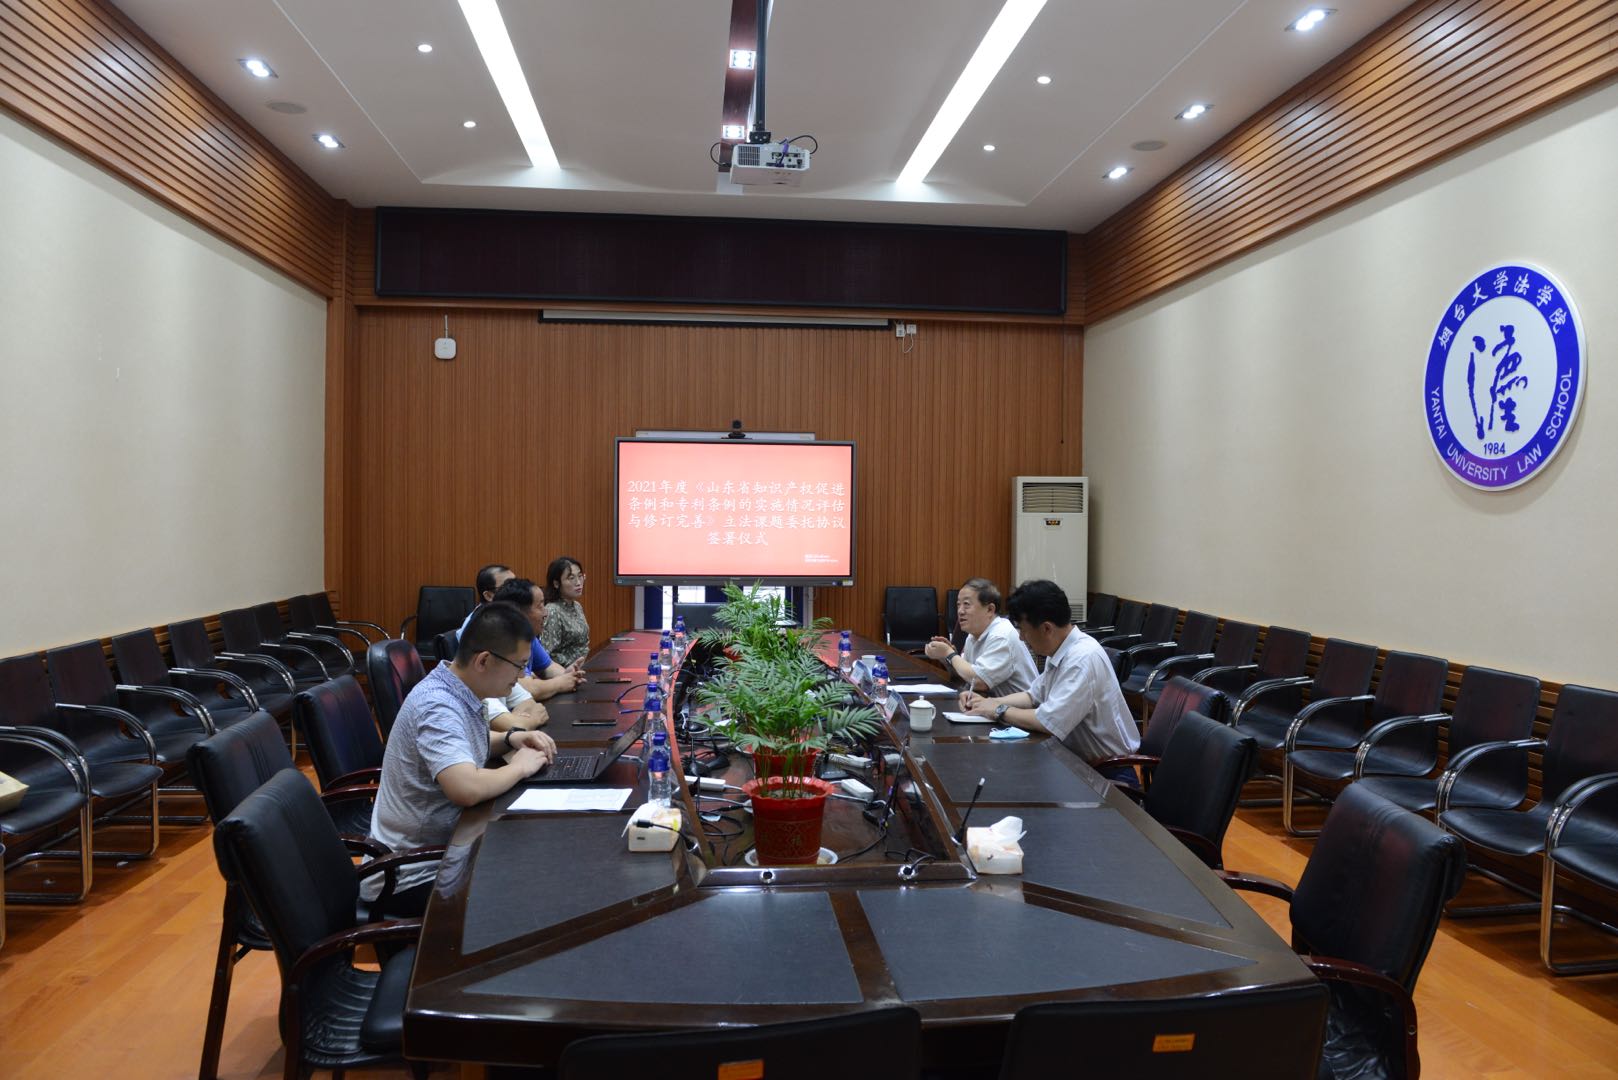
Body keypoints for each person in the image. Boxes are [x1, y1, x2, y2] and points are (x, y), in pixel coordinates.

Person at [367, 601, 558, 915]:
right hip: (410, 875)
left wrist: (511, 738)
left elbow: (464, 746)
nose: (520, 677)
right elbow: (465, 788)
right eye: (518, 666)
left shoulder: (461, 689)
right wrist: (520, 767)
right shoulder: (438, 705)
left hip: (448, 851)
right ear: (484, 660)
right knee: (533, 887)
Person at [958, 579, 1140, 784]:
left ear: (1046, 628)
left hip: (1106, 774)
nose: (1021, 638)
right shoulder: (1061, 650)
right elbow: (1032, 696)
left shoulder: (1082, 659)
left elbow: (1048, 721)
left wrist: (998, 710)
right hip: (1073, 762)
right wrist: (987, 703)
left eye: (1024, 630)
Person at [923, 578, 1037, 698]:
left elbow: (978, 682)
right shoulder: (973, 635)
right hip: (992, 705)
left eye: (966, 604)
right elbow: (964, 678)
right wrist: (946, 658)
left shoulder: (1001, 636)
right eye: (958, 605)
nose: (960, 611)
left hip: (1020, 708)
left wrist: (949, 654)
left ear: (990, 609)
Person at [491, 577, 586, 700]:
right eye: (540, 606)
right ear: (519, 612)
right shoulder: (502, 640)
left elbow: (548, 667)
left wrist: (567, 675)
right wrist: (560, 683)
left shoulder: (528, 636)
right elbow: (527, 690)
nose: (546, 613)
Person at [540, 556, 590, 668]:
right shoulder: (552, 611)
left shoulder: (577, 606)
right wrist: (572, 667)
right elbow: (549, 654)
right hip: (564, 672)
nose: (578, 582)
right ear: (556, 584)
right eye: (571, 578)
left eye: (580, 576)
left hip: (583, 666)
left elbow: (583, 644)